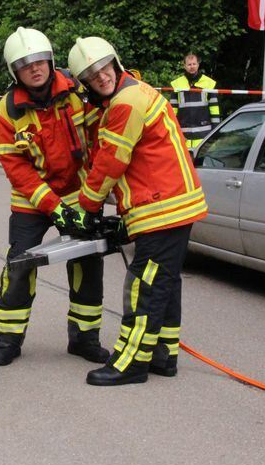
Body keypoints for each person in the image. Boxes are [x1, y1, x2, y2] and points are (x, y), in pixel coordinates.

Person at [68, 37, 207, 386]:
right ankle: (163, 354)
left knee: (143, 285)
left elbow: (111, 160)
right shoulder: (133, 91)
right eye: (91, 75)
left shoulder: (126, 102)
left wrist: (86, 208)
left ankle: (130, 363)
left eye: (103, 68)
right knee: (165, 282)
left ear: (115, 63)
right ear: (84, 83)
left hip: (160, 206)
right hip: (174, 204)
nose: (100, 77)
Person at [0, 27, 108, 366]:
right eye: (26, 65)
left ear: (51, 61)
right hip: (32, 199)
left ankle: (85, 339)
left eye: (41, 61)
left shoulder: (77, 93)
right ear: (15, 72)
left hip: (78, 193)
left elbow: (101, 139)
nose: (36, 69)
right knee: (20, 265)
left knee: (88, 263)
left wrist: (93, 195)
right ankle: (8, 339)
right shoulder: (8, 110)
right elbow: (17, 168)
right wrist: (52, 207)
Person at [170, 53, 221, 150]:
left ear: (198, 65)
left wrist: (215, 131)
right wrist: (175, 131)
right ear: (184, 66)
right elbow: (173, 111)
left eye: (194, 64)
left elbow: (214, 109)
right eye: (189, 64)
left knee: (201, 164)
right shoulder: (177, 84)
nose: (192, 67)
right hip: (183, 136)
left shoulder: (209, 83)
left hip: (204, 135)